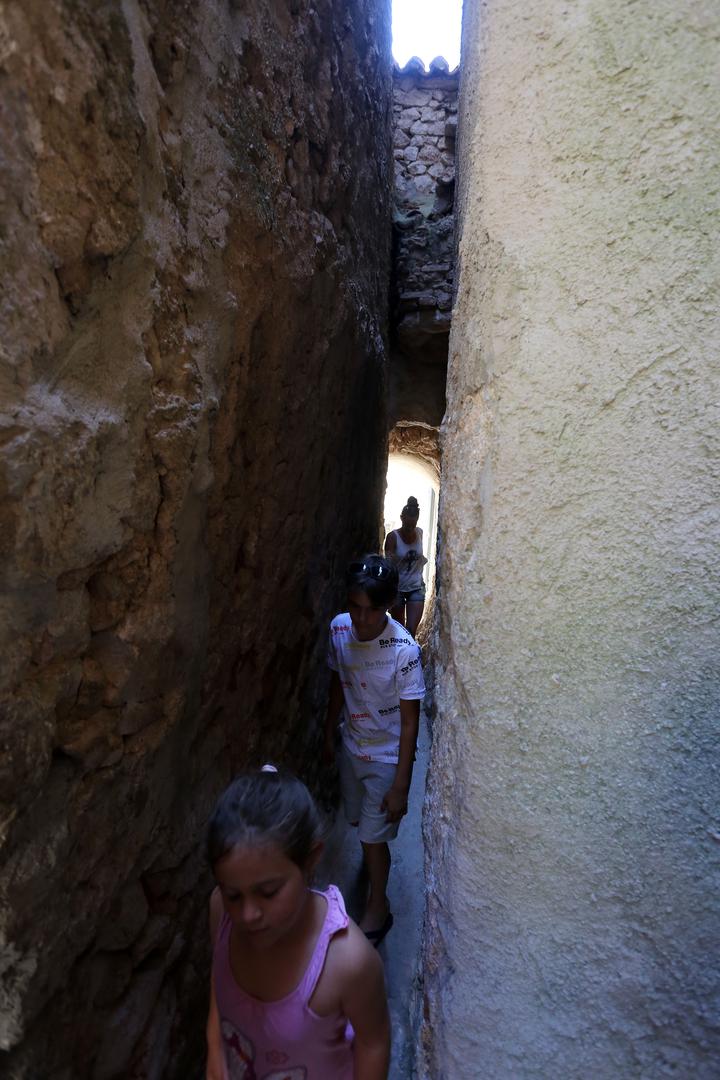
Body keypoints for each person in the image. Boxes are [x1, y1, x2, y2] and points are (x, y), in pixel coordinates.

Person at [205, 766, 390, 1080]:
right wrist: (214, 1047)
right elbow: (217, 977)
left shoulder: (347, 962)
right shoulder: (220, 910)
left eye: (268, 892)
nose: (248, 914)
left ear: (311, 858)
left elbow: (374, 1044)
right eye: (234, 894)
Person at [324, 555, 425, 946]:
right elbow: (338, 682)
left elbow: (410, 722)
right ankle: (371, 864)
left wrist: (401, 784)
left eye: (371, 611)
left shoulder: (404, 652)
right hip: (352, 746)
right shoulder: (339, 630)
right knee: (358, 823)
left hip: (385, 757)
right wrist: (327, 732)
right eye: (355, 607)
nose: (360, 619)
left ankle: (377, 906)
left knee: (371, 838)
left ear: (387, 608)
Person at [384, 496, 428, 639]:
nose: (410, 529)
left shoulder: (420, 533)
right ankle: (398, 659)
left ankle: (410, 660)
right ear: (402, 518)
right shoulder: (393, 537)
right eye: (408, 525)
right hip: (398, 589)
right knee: (399, 631)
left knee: (410, 632)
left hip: (416, 587)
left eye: (413, 525)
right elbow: (388, 565)